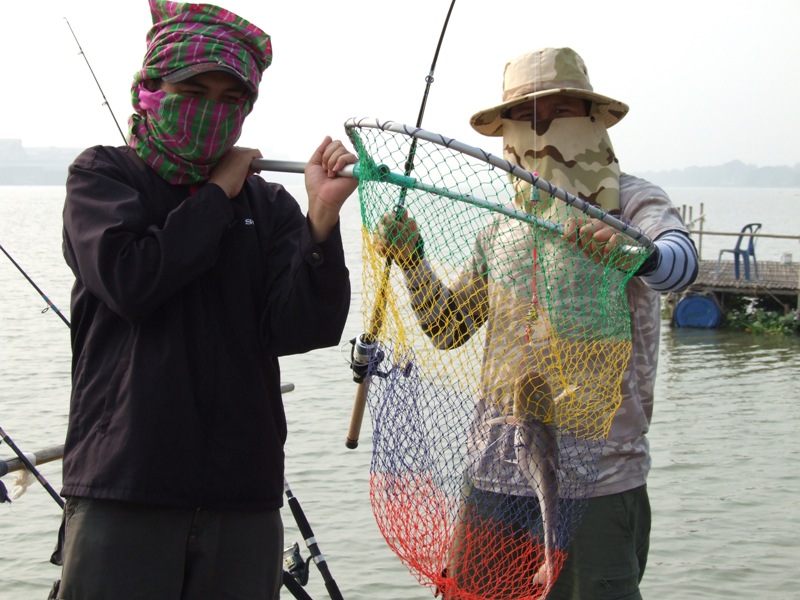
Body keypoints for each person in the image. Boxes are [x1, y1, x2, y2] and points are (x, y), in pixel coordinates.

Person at [57, 1, 358, 598]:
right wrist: (218, 193)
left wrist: (321, 220)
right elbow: (130, 279)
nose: (211, 112)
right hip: (125, 488)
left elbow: (303, 327)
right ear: (149, 89)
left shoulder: (269, 207)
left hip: (241, 497)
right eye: (193, 90)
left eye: (230, 100)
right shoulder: (103, 178)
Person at [375, 47, 698, 599]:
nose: (543, 129)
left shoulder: (633, 204)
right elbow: (448, 327)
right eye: (526, 117)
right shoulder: (501, 225)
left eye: (562, 112)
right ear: (505, 133)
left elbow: (681, 265)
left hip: (597, 484)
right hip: (492, 478)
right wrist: (413, 262)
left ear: (594, 121)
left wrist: (638, 255)